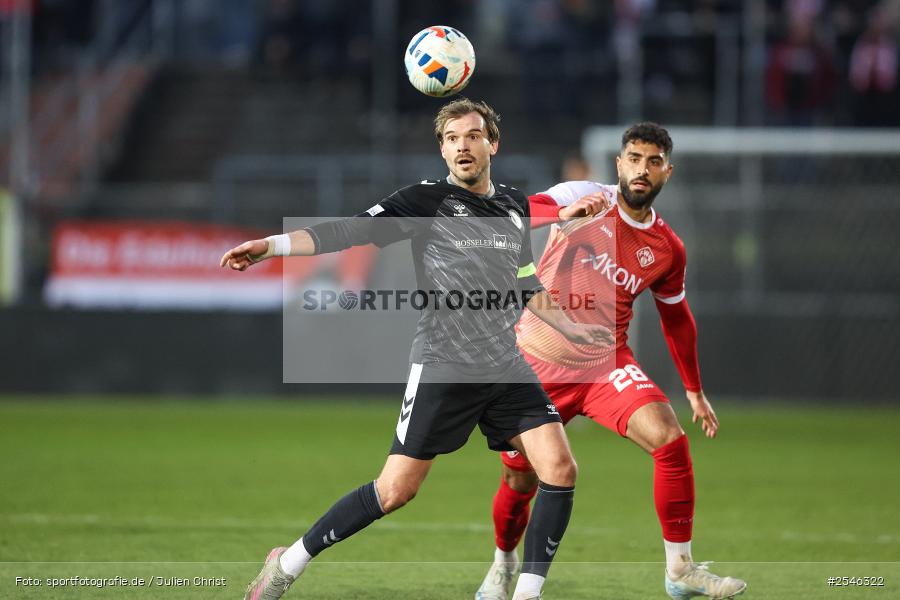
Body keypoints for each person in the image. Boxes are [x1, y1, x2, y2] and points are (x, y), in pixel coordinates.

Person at [221, 98, 614, 600]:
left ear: (492, 143)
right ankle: (289, 561)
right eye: (451, 139)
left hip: (504, 364)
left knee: (559, 469)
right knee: (395, 491)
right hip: (444, 363)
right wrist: (270, 246)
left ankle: (527, 595)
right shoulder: (424, 201)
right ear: (442, 150)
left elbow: (523, 282)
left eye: (472, 136)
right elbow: (350, 230)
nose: (462, 147)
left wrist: (571, 328)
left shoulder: (514, 206)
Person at [474, 123, 748, 600]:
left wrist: (694, 390)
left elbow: (677, 318)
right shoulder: (584, 194)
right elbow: (520, 209)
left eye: (654, 161)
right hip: (536, 359)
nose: (643, 169)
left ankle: (679, 570)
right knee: (521, 476)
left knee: (669, 439)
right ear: (619, 163)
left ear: (667, 171)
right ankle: (502, 562)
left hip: (605, 364)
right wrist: (564, 210)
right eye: (635, 158)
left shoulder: (667, 248)